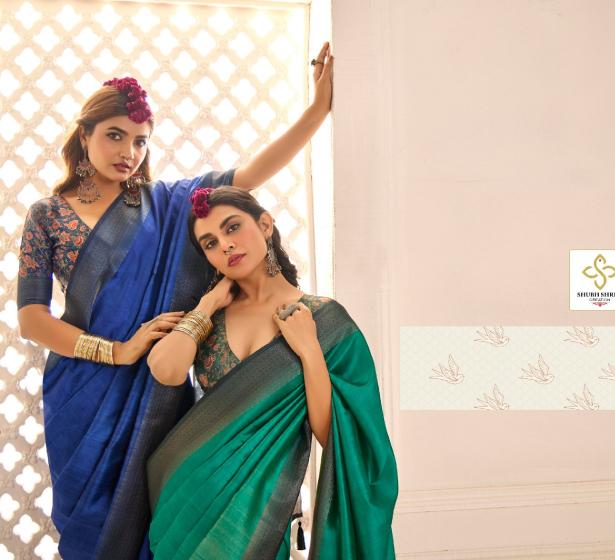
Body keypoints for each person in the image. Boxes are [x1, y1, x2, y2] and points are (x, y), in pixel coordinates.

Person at [16, 43, 334, 559]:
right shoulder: (47, 215)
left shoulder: (166, 205)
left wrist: (318, 110)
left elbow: (248, 177)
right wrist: (117, 351)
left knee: (158, 520)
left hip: (157, 387)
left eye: (140, 141)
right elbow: (32, 319)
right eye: (115, 135)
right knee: (88, 529)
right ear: (85, 134)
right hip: (81, 390)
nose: (129, 151)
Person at [145, 187, 398, 559]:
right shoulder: (210, 319)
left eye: (233, 227)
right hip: (189, 501)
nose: (226, 245)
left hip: (262, 509)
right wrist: (207, 304)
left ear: (265, 225)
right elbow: (165, 370)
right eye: (210, 243)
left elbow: (333, 434)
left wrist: (309, 350)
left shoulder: (324, 320)